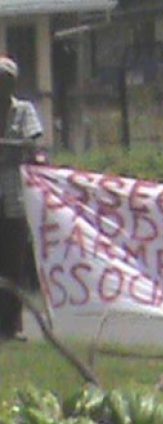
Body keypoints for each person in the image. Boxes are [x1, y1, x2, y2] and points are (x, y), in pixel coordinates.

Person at [0, 57, 44, 342]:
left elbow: (32, 142)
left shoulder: (23, 110)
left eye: (5, 80)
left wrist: (7, 147)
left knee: (13, 264)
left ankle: (12, 325)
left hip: (14, 196)